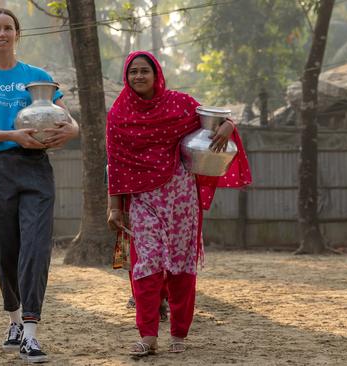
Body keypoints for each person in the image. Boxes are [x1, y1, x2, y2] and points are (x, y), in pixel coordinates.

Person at [106, 51, 251, 357]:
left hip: (181, 198)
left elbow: (216, 120)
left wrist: (228, 126)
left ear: (157, 74)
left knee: (181, 265)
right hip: (143, 200)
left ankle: (179, 334)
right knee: (146, 265)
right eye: (133, 72)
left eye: (145, 71)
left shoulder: (181, 103)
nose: (139, 77)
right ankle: (147, 336)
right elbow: (115, 163)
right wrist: (114, 207)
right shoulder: (119, 114)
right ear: (126, 76)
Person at [0, 8, 79, 364]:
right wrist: (14, 135)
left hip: (36, 169)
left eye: (8, 28)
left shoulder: (37, 76)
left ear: (17, 34)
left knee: (36, 247)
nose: (2, 34)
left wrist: (67, 133)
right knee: (3, 250)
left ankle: (30, 333)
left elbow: (70, 123)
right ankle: (13, 317)